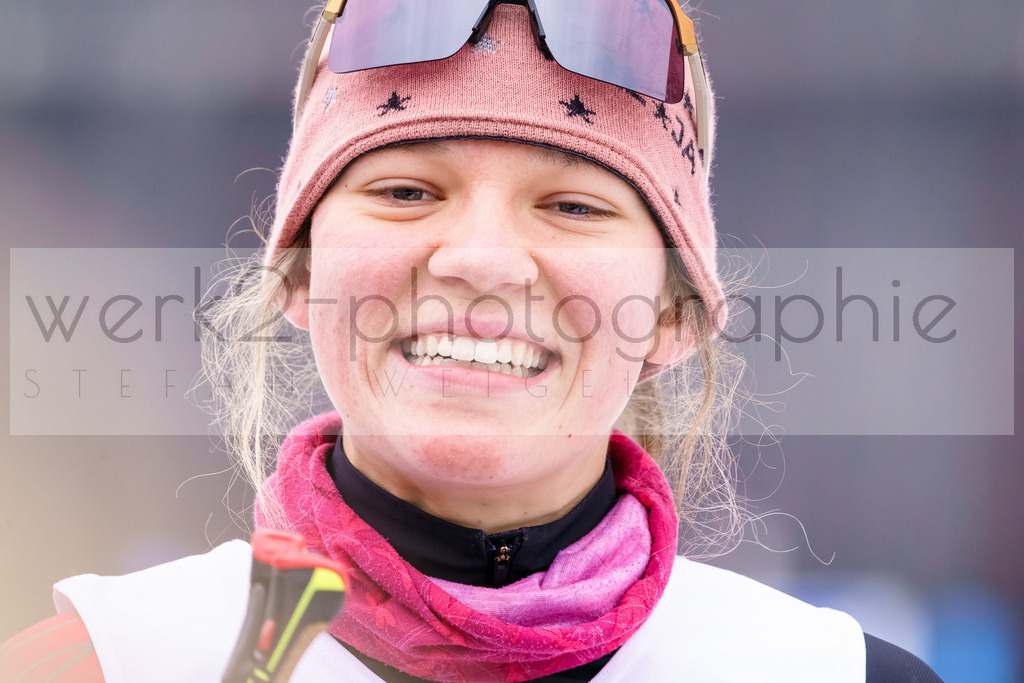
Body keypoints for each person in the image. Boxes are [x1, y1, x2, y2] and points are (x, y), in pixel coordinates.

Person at [0, 1, 942, 681]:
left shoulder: (828, 673)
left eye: (574, 205)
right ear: (295, 271)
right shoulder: (110, 663)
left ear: (674, 314)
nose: (483, 261)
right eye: (406, 191)